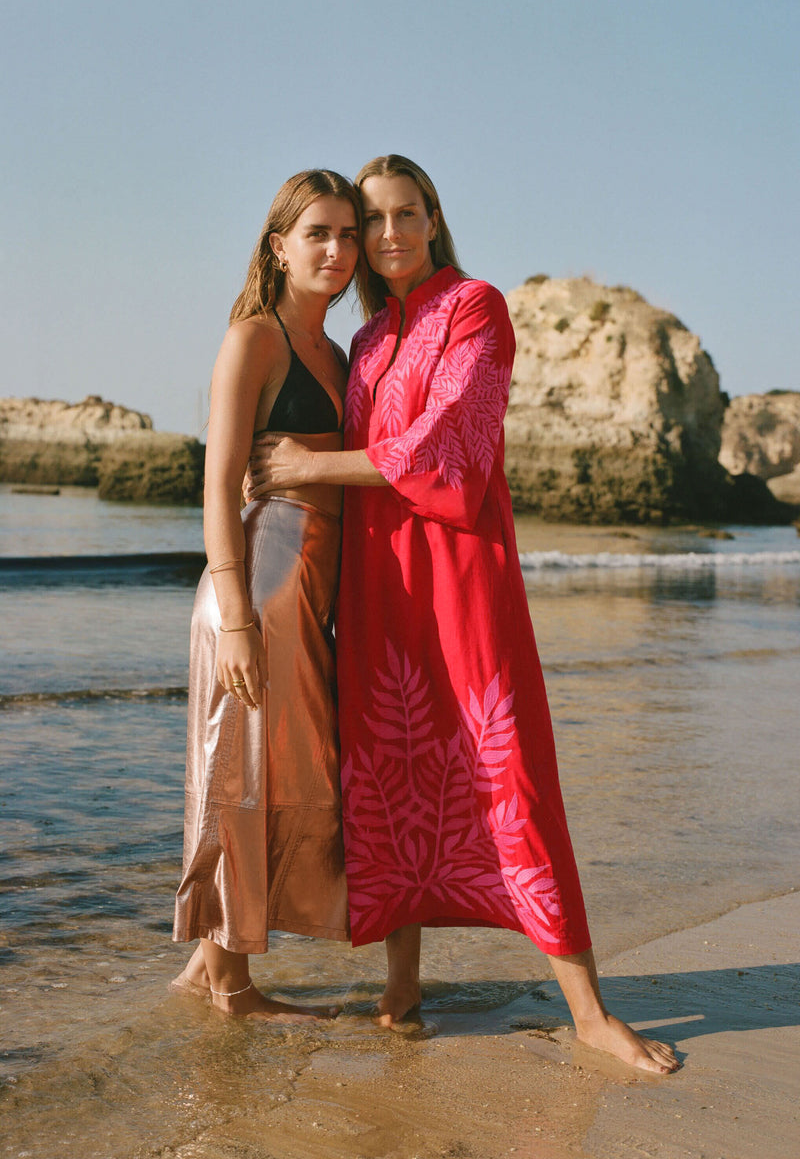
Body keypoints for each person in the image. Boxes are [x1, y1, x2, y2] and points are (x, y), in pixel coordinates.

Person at [246, 155, 678, 1072]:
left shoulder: (477, 307)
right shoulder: (368, 340)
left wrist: (308, 467)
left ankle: (590, 1012)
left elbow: (446, 446)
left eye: (406, 214)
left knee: (507, 774)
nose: (388, 234)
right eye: (373, 220)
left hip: (461, 578)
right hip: (377, 588)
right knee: (388, 774)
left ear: (434, 220)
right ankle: (401, 989)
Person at [171, 169, 360, 1020]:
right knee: (239, 780)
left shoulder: (338, 354)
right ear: (279, 247)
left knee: (264, 772)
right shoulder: (255, 339)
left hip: (304, 586)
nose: (337, 249)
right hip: (257, 586)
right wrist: (238, 620)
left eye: (347, 234)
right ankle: (233, 987)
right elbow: (218, 487)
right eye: (317, 233)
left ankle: (205, 965)